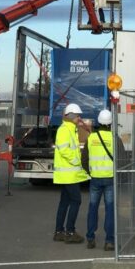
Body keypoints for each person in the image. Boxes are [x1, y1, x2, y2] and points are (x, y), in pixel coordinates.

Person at [53, 103, 89, 243]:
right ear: (71, 115)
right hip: (68, 174)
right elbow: (64, 149)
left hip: (68, 174)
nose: (79, 118)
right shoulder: (65, 130)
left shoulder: (70, 129)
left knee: (65, 202)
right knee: (76, 200)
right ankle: (70, 232)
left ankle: (59, 231)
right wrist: (77, 160)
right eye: (77, 115)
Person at [85, 109, 116, 250]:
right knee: (110, 209)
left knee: (93, 208)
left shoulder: (91, 138)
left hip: (95, 178)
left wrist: (90, 171)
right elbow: (121, 159)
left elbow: (84, 158)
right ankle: (109, 241)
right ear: (110, 123)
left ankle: (90, 238)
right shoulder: (114, 138)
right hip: (110, 178)